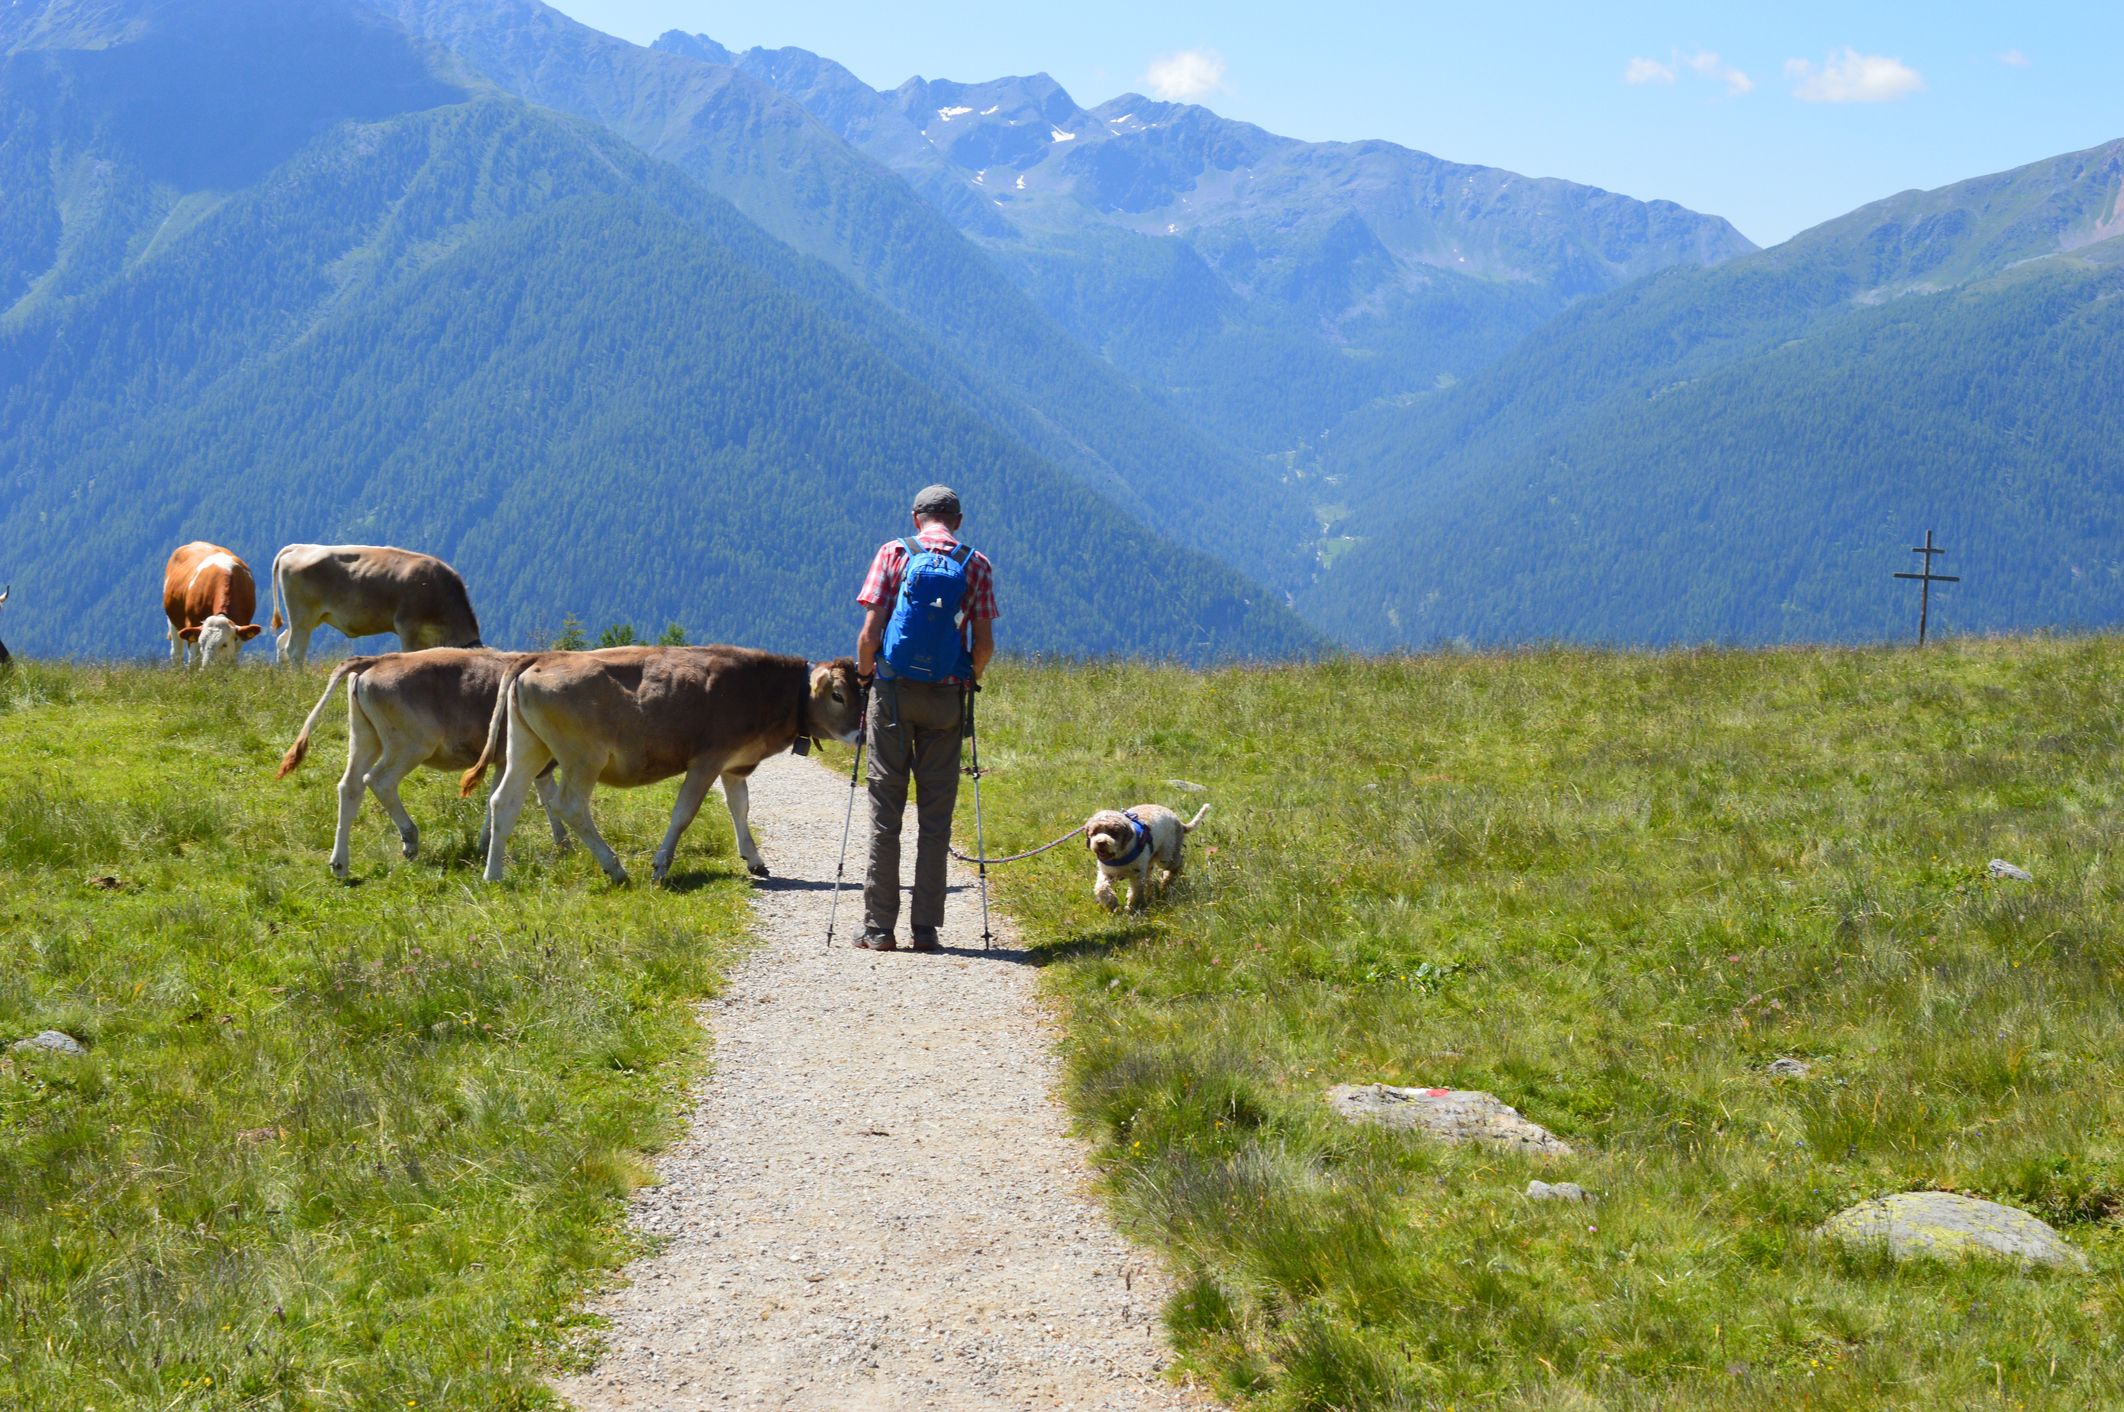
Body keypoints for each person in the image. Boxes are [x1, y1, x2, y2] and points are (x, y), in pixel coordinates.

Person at [852, 485, 998, 952]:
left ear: (917, 517)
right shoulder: (975, 563)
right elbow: (985, 644)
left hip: (893, 694)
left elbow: (870, 633)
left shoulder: (894, 552)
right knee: (936, 817)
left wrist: (865, 676)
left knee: (885, 811)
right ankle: (926, 929)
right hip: (945, 699)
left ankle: (878, 929)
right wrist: (967, 679)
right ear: (957, 519)